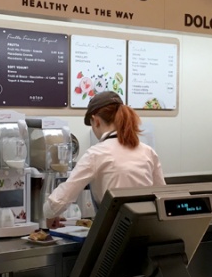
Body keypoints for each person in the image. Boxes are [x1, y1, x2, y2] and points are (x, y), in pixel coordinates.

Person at [43, 90, 166, 225]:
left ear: (96, 121)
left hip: (113, 231)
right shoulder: (148, 152)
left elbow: (61, 199)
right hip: (148, 228)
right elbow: (162, 196)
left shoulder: (96, 154)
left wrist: (49, 214)